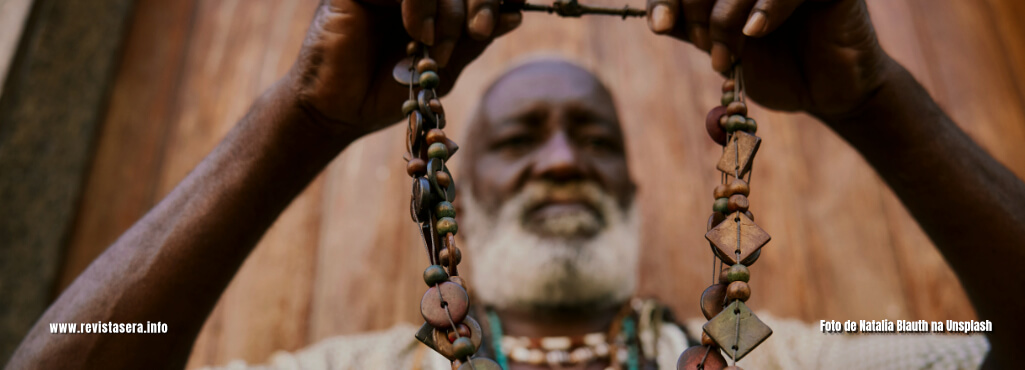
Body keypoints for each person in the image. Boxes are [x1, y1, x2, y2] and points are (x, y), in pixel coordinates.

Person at [7, 0, 1024, 369]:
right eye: (518, 139)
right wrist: (301, 120)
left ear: (632, 177)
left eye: (589, 134)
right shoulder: (342, 366)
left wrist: (870, 100)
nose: (558, 158)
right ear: (459, 183)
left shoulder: (795, 351)